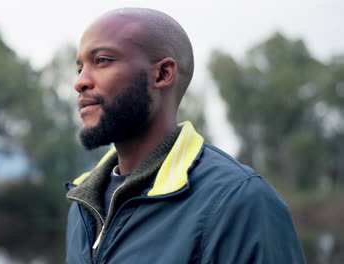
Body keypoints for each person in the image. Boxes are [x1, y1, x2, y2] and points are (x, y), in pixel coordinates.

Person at [65, 7, 305, 264]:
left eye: (102, 60)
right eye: (80, 68)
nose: (80, 81)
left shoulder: (240, 201)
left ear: (162, 74)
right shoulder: (82, 204)